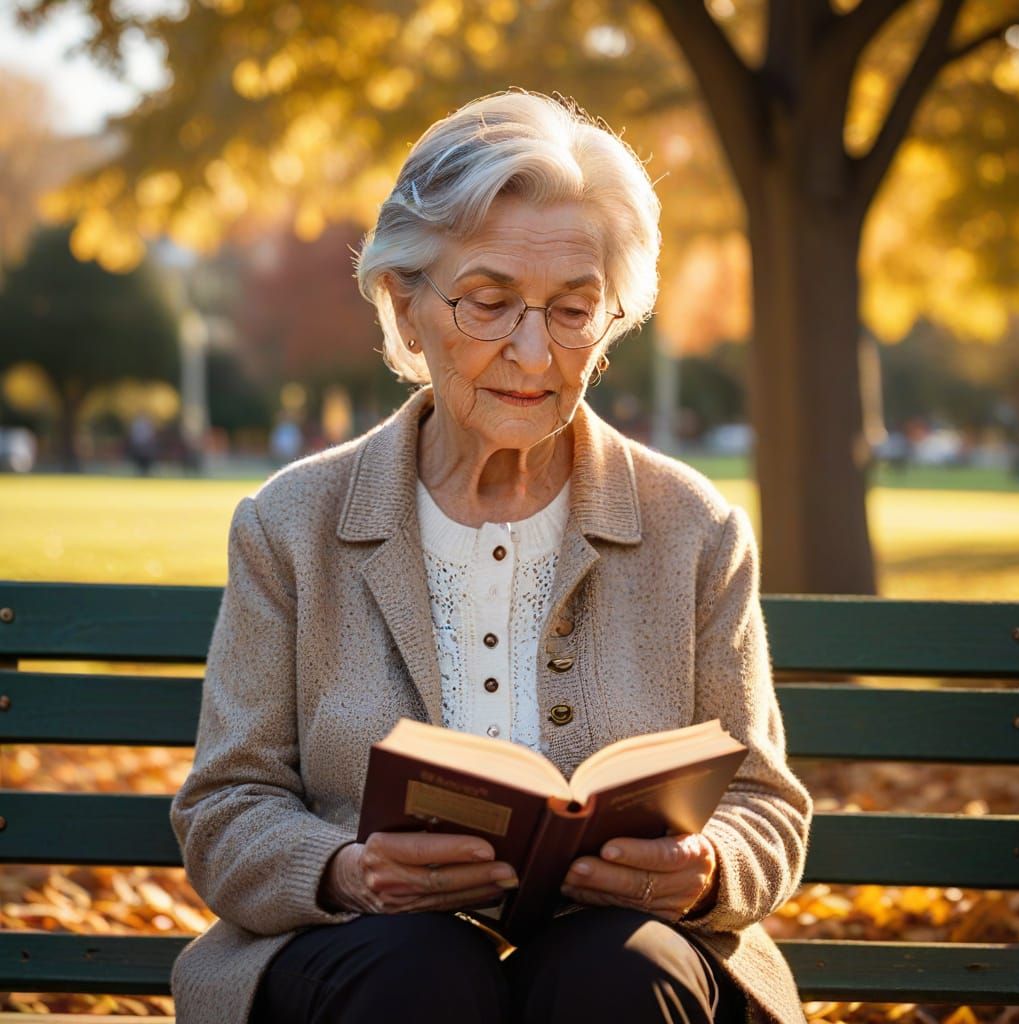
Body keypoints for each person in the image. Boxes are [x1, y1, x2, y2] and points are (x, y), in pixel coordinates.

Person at [169, 89, 812, 1024]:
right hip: (366, 958)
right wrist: (346, 872)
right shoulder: (290, 525)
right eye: (489, 301)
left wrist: (705, 870)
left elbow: (765, 806)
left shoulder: (694, 529)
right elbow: (227, 806)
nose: (532, 350)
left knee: (611, 972)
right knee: (417, 972)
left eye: (572, 309)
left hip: (618, 963)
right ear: (405, 300)